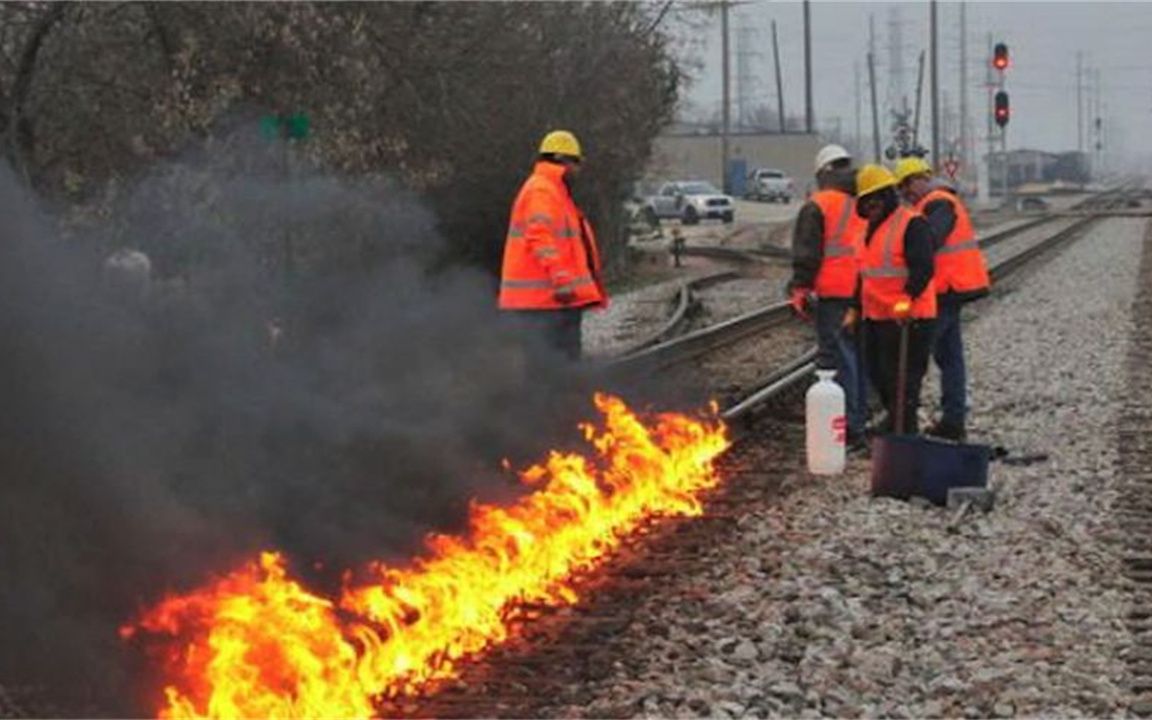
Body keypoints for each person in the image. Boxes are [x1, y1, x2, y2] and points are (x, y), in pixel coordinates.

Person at [894, 157, 991, 441]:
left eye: (905, 186)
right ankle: (953, 420)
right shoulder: (937, 201)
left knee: (917, 357)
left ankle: (903, 420)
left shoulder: (937, 202)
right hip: (951, 288)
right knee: (950, 357)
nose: (905, 194)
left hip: (945, 289)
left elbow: (929, 241)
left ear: (919, 179)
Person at [498, 130, 607, 361]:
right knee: (553, 367)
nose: (579, 170)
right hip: (545, 300)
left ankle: (560, 397)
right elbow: (540, 236)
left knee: (555, 367)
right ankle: (557, 398)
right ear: (562, 160)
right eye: (576, 162)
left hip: (549, 300)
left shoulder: (553, 190)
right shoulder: (542, 190)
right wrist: (561, 279)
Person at [787, 144, 868, 446]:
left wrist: (800, 288)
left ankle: (847, 429)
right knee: (858, 360)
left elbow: (807, 253)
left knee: (838, 361)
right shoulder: (861, 200)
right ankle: (857, 421)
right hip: (862, 292)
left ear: (822, 173)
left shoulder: (818, 205)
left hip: (833, 293)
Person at [854, 164, 937, 435]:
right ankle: (896, 422)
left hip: (909, 318)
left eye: (877, 198)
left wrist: (907, 298)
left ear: (888, 196)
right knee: (879, 375)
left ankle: (905, 433)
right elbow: (867, 274)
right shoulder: (871, 230)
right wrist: (856, 308)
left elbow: (923, 267)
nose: (872, 205)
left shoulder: (912, 223)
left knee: (905, 379)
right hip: (877, 316)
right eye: (867, 201)